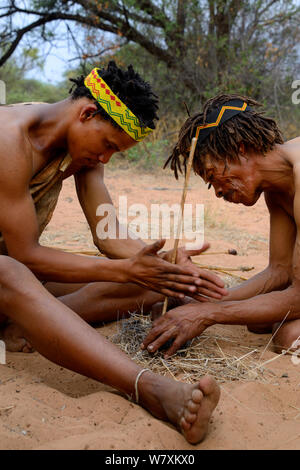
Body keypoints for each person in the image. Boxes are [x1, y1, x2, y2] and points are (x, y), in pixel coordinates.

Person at [0, 61, 222, 443]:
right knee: (9, 271)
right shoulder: (8, 141)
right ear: (87, 113)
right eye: (108, 146)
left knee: (155, 283)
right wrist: (123, 270)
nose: (105, 160)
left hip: (16, 278)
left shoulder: (80, 145)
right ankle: (148, 387)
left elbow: (108, 235)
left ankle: (24, 325)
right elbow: (26, 254)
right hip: (10, 271)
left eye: (115, 153)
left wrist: (162, 265)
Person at [142, 94, 300, 358]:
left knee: (290, 336)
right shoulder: (276, 187)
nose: (217, 192)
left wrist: (206, 314)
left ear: (240, 148)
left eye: (213, 176)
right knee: (257, 319)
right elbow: (279, 272)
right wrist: (198, 301)